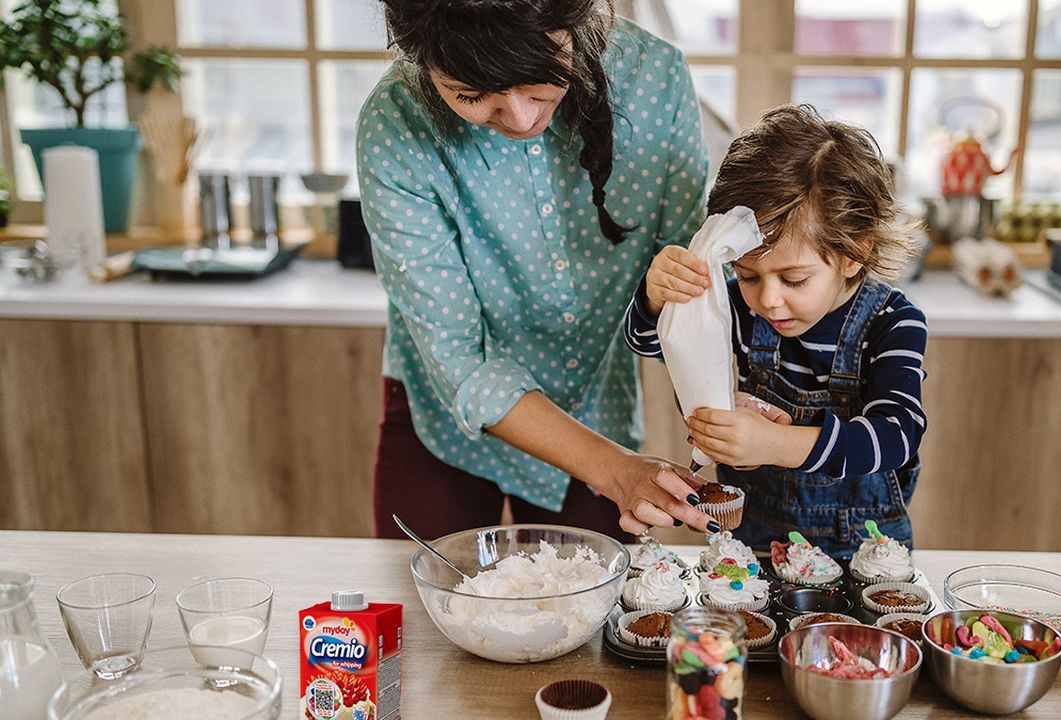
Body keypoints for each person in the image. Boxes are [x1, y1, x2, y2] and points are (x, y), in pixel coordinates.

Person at [359, 0, 719, 540]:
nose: (522, 119)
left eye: (537, 82)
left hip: (597, 412)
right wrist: (614, 469)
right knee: (420, 614)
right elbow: (463, 359)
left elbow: (686, 281)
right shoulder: (395, 121)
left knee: (595, 623)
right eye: (471, 96)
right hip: (445, 428)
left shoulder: (654, 80)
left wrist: (727, 407)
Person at [625, 104, 927, 556]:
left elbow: (897, 434)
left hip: (861, 550)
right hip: (755, 542)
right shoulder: (738, 307)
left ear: (853, 252)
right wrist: (656, 296)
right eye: (748, 275)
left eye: (794, 279)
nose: (768, 299)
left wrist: (775, 444)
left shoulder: (891, 323)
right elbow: (648, 342)